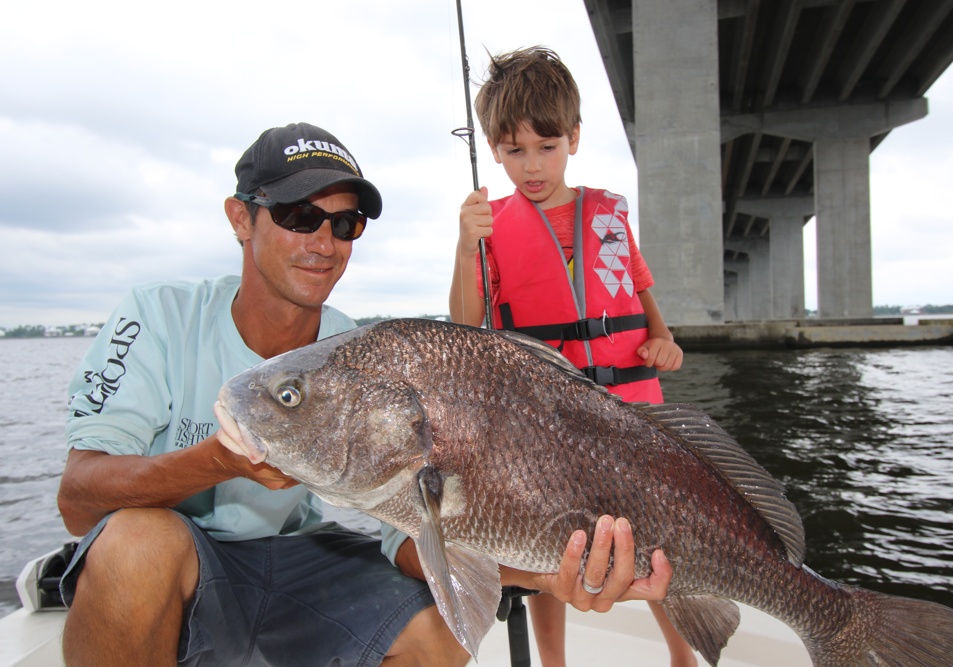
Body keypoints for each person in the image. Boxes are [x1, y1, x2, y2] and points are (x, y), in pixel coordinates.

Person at [55, 121, 674, 667]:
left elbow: (406, 536)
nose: (324, 243)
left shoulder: (354, 352)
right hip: (184, 561)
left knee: (449, 624)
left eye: (344, 222)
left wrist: (547, 574)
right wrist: (216, 460)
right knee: (134, 546)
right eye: (300, 217)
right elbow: (79, 500)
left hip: (300, 559)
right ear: (241, 218)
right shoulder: (157, 317)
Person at [448, 48, 697, 667]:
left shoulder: (609, 214)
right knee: (550, 545)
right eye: (513, 151)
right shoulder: (490, 225)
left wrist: (663, 339)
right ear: (493, 148)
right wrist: (463, 246)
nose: (531, 166)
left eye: (546, 146)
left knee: (661, 537)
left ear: (575, 139)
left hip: (632, 409)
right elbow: (465, 323)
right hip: (545, 419)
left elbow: (638, 291)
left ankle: (683, 656)